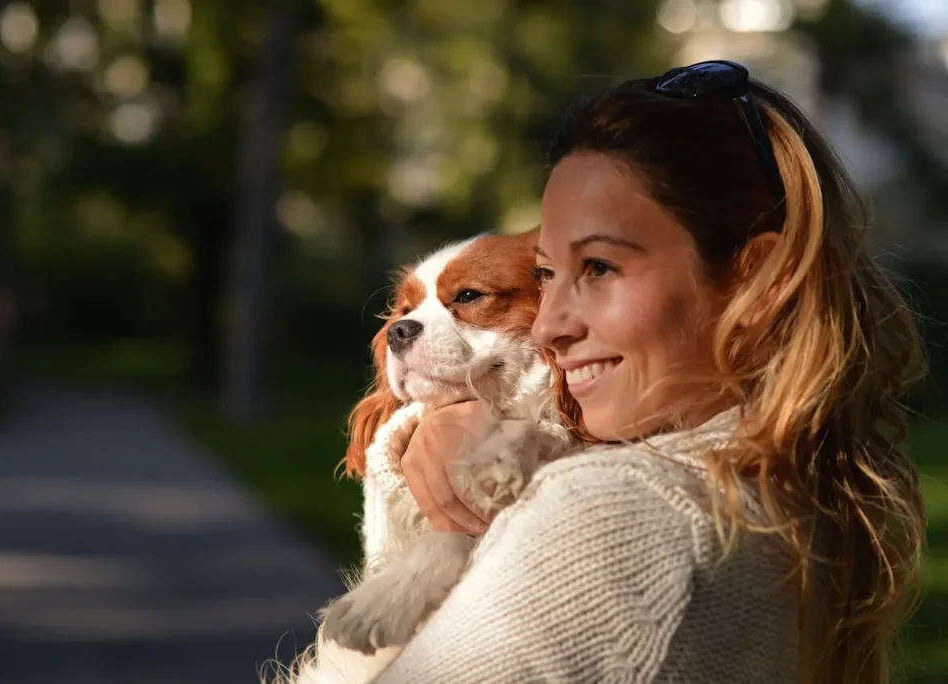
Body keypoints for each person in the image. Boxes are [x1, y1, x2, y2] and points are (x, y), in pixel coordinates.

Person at [361, 61, 927, 683]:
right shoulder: (799, 495)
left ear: (760, 282)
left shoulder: (612, 513)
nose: (550, 327)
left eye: (600, 267)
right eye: (548, 275)